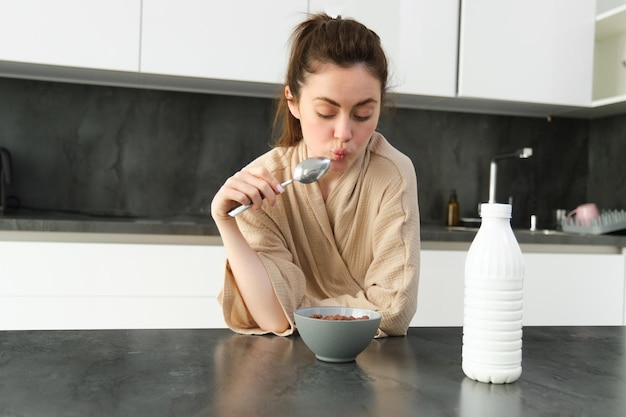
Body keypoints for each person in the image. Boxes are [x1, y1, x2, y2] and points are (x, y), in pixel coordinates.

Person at [210, 12, 420, 337]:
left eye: (363, 114)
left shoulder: (392, 173)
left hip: (368, 360)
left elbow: (393, 309)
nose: (344, 133)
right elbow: (274, 318)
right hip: (284, 366)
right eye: (326, 113)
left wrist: (297, 308)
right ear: (293, 103)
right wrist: (226, 223)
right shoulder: (263, 183)